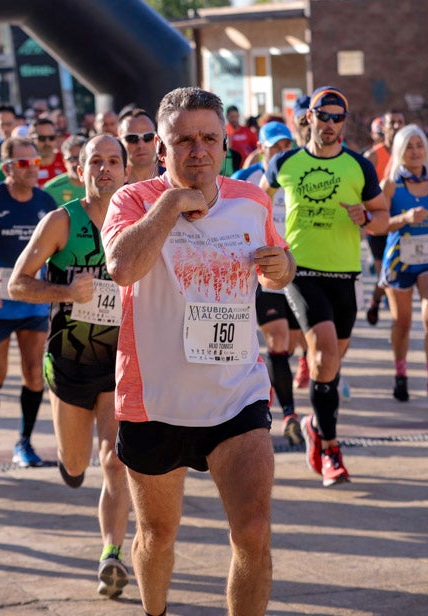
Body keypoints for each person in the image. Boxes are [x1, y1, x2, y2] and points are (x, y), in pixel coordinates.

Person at [103, 86, 295, 616]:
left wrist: (285, 267)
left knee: (254, 533)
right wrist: (170, 202)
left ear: (225, 142)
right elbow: (122, 268)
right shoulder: (134, 201)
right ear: (161, 150)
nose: (198, 150)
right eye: (183, 140)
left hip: (236, 395)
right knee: (158, 537)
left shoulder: (252, 200)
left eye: (210, 138)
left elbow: (278, 261)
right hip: (155, 402)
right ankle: (156, 611)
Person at [8, 134, 133, 599]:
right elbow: (17, 285)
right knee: (78, 465)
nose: (104, 169)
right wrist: (66, 293)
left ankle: (111, 555)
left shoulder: (139, 218)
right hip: (68, 365)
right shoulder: (61, 222)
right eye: (94, 162)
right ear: (78, 170)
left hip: (120, 364)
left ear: (125, 169)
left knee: (116, 460)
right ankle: (68, 463)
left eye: (112, 162)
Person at [262, 86, 389, 487]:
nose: (330, 124)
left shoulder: (359, 167)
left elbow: (383, 218)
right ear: (309, 117)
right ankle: (332, 448)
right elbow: (255, 201)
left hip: (345, 274)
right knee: (323, 354)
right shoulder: (284, 163)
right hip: (301, 269)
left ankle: (317, 424)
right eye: (323, 115)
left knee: (329, 367)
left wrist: (365, 215)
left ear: (344, 123)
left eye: (338, 118)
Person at [0, 136, 56, 466]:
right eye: (23, 163)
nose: (32, 169)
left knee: (35, 373)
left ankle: (25, 442)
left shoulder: (45, 203)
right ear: (7, 167)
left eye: (35, 162)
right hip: (0, 302)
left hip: (33, 300)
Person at [232, 121, 306, 443]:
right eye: (274, 146)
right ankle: (289, 414)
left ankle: (279, 384)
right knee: (276, 339)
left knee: (292, 343)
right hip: (264, 269)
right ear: (260, 147)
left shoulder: (299, 173)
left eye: (285, 145)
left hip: (300, 267)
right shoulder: (245, 180)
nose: (280, 151)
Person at [380, 124, 428, 403]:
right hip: (399, 258)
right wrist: (405, 218)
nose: (415, 152)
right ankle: (401, 375)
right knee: (403, 322)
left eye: (419, 146)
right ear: (399, 151)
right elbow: (378, 224)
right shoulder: (391, 185)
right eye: (409, 147)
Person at [362, 110, 405, 324]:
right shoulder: (373, 156)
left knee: (393, 272)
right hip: (378, 223)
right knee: (385, 273)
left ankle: (377, 301)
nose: (396, 126)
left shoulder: (409, 152)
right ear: (383, 128)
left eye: (400, 122)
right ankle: (382, 302)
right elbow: (357, 189)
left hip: (403, 223)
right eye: (392, 123)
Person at [118, 108, 161, 184]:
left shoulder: (174, 180)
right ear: (119, 141)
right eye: (132, 138)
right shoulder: (113, 186)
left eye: (148, 136)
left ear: (157, 139)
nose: (141, 145)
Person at [43, 135, 87, 206]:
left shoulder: (100, 185)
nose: (76, 163)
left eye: (80, 158)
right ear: (64, 161)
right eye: (71, 159)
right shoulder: (51, 189)